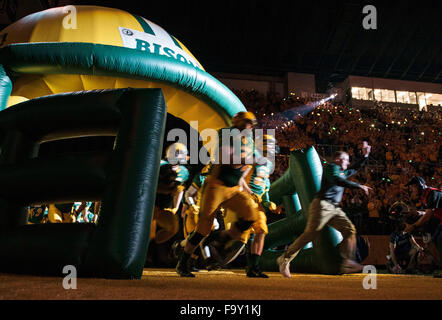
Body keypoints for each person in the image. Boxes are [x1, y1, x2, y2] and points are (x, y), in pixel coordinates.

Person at [175, 111, 261, 277]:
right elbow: (224, 157)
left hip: (234, 188)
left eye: (250, 124)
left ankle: (222, 239)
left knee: (251, 214)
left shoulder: (249, 141)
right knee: (203, 228)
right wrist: (244, 159)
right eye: (246, 123)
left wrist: (248, 173)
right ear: (238, 122)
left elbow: (251, 163)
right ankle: (183, 262)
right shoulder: (227, 133)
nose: (249, 127)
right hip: (216, 186)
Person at [277, 141, 373, 277]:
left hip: (333, 208)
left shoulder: (342, 172)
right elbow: (336, 180)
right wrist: (358, 186)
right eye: (346, 160)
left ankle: (347, 263)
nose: (348, 162)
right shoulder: (331, 168)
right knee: (309, 235)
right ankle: (285, 258)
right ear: (338, 159)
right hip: (322, 206)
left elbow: (355, 168)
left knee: (350, 230)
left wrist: (365, 155)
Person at [242, 134, 279, 278]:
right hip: (246, 198)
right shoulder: (252, 157)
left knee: (261, 231)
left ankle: (253, 266)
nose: (270, 147)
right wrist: (249, 192)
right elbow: (241, 176)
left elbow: (265, 184)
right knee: (247, 233)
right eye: (267, 144)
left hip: (258, 202)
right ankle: (251, 266)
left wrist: (267, 201)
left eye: (271, 144)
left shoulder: (268, 164)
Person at [151, 143, 189, 244]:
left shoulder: (184, 172)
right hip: (149, 203)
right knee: (146, 230)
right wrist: (167, 190)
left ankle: (152, 245)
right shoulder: (159, 164)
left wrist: (175, 207)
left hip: (163, 208)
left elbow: (180, 190)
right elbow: (148, 186)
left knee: (173, 228)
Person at [404, 176, 442, 277]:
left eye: (413, 186)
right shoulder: (426, 195)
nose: (411, 189)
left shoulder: (431, 193)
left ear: (420, 186)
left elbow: (429, 215)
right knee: (435, 239)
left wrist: (413, 226)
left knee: (439, 239)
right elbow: (430, 211)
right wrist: (419, 212)